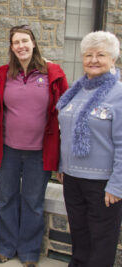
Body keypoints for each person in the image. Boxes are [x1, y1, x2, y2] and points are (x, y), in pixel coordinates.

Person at [0, 25, 68, 267]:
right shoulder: (4, 73)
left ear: (34, 43)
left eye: (25, 41)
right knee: (6, 198)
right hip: (7, 150)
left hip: (39, 152)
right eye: (16, 42)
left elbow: (66, 111)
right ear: (11, 47)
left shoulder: (53, 73)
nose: (21, 46)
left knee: (33, 202)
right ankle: (5, 247)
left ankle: (29, 252)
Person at [56, 31, 122, 267]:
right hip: (73, 179)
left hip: (102, 184)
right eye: (88, 55)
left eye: (101, 55)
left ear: (113, 59)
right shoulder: (76, 91)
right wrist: (63, 166)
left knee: (101, 241)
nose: (93, 60)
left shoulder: (119, 94)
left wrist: (117, 185)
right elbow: (67, 132)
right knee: (80, 236)